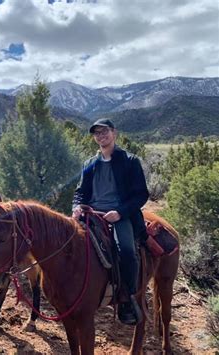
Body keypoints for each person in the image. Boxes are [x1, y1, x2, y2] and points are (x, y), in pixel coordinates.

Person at [72, 118, 149, 325]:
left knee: (126, 250)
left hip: (118, 215)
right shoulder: (90, 163)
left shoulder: (130, 161)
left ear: (114, 133)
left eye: (104, 131)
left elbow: (141, 195)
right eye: (96, 133)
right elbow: (80, 193)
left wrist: (120, 213)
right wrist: (76, 207)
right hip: (91, 214)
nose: (100, 136)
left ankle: (126, 297)